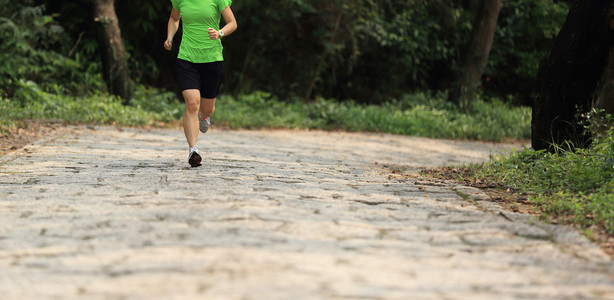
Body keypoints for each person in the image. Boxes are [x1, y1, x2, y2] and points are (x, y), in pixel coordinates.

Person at [164, 0, 237, 167]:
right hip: (187, 58)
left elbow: (232, 23)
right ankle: (193, 150)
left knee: (207, 109)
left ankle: (203, 117)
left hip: (212, 59)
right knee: (192, 103)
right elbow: (174, 19)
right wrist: (170, 37)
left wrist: (219, 33)